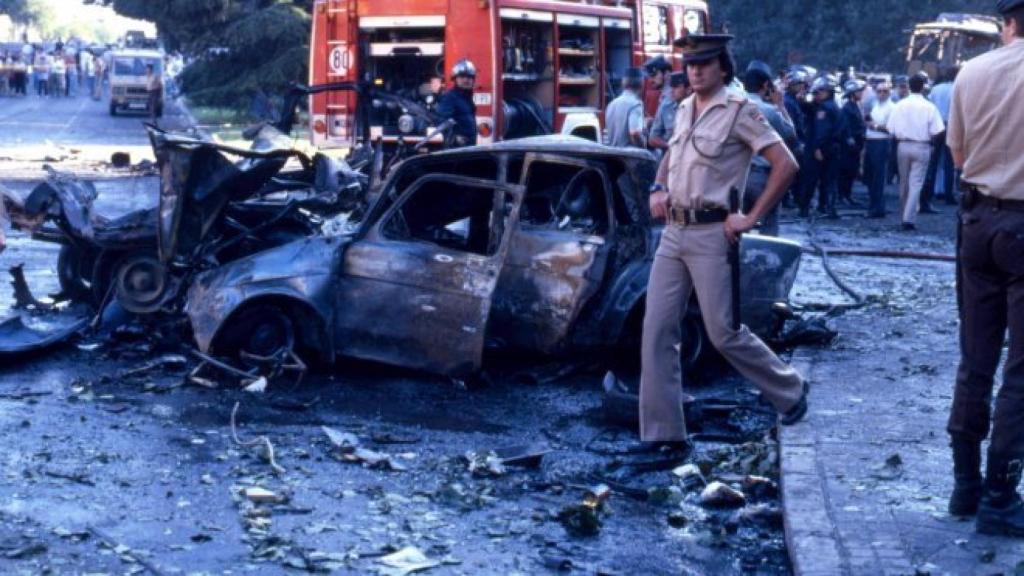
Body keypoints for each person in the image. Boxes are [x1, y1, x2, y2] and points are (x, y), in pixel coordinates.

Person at [638, 34, 807, 461]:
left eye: (705, 63)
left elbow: (786, 164)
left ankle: (789, 390)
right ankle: (664, 435)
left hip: (714, 233)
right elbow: (673, 157)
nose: (695, 70)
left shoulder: (739, 111)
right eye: (690, 63)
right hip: (673, 232)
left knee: (722, 332)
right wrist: (658, 185)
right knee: (657, 329)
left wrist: (749, 217)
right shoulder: (681, 109)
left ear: (723, 68)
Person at [945, 0, 1024, 536]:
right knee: (1021, 369)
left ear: (1010, 22)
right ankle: (1001, 495)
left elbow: (956, 153)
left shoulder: (972, 71)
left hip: (976, 225)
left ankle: (965, 486)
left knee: (976, 359)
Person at [743, 60, 796, 236]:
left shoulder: (733, 105)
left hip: (736, 176)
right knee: (769, 222)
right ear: (766, 85)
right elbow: (790, 134)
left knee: (737, 223)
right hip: (761, 176)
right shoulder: (769, 111)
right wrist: (780, 105)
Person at [886, 71, 944, 231]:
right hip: (922, 145)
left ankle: (904, 213)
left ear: (909, 87)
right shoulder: (929, 107)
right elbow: (937, 130)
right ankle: (909, 218)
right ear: (923, 87)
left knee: (903, 181)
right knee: (916, 183)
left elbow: (890, 128)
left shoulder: (900, 105)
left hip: (903, 145)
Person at [799, 76, 843, 219]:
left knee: (812, 179)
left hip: (821, 147)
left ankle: (806, 208)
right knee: (828, 179)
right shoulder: (832, 106)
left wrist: (817, 147)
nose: (817, 95)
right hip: (832, 147)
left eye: (819, 92)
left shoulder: (825, 108)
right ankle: (826, 207)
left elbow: (822, 130)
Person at [921, 66, 959, 207]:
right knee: (949, 162)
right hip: (951, 125)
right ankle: (949, 194)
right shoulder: (957, 88)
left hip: (936, 126)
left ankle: (928, 193)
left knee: (933, 161)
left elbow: (929, 104)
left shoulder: (936, 89)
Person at [863, 82, 894, 218]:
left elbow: (891, 129)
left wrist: (874, 126)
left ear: (889, 92)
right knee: (870, 175)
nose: (881, 94)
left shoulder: (892, 107)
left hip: (881, 142)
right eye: (879, 91)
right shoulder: (875, 105)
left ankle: (878, 207)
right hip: (870, 141)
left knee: (878, 177)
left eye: (885, 91)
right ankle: (873, 205)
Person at [436, 59, 478, 148]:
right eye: (462, 77)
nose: (466, 80)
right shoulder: (450, 97)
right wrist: (454, 138)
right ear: (455, 79)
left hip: (469, 147)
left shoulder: (467, 98)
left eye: (469, 77)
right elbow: (441, 120)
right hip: (455, 150)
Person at [838, 79, 867, 207]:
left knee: (852, 171)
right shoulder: (847, 108)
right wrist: (850, 140)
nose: (861, 93)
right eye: (858, 91)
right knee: (846, 171)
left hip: (857, 143)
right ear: (852, 93)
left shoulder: (855, 106)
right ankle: (842, 195)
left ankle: (848, 195)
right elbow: (845, 127)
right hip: (849, 145)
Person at [648, 71, 690, 153]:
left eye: (676, 87)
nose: (672, 91)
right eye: (671, 87)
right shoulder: (666, 107)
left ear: (688, 90)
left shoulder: (697, 107)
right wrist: (670, 146)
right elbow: (652, 139)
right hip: (670, 157)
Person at [604, 67, 645, 148]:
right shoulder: (635, 104)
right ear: (641, 84)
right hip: (629, 157)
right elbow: (634, 132)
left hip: (613, 154)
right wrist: (643, 146)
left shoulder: (611, 104)